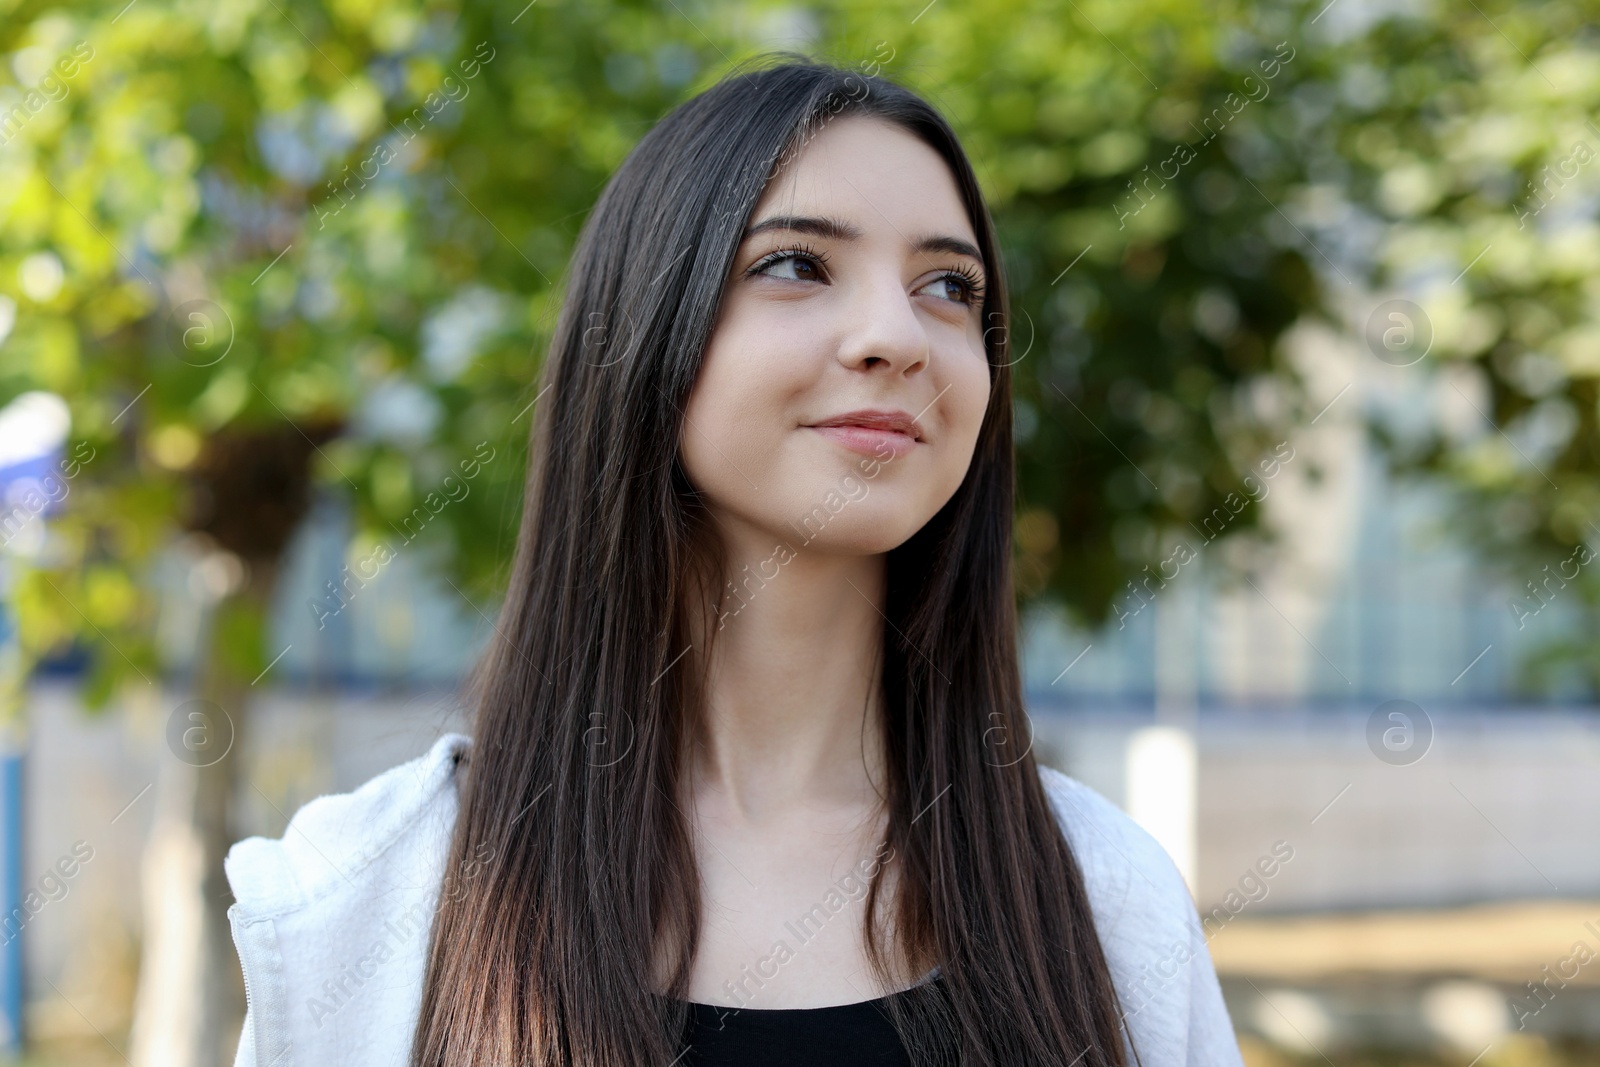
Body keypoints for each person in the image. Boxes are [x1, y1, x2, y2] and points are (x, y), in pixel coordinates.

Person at [225, 55, 1243, 1067]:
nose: (898, 334)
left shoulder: (1106, 898)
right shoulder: (366, 899)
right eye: (796, 264)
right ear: (643, 330)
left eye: (947, 285)